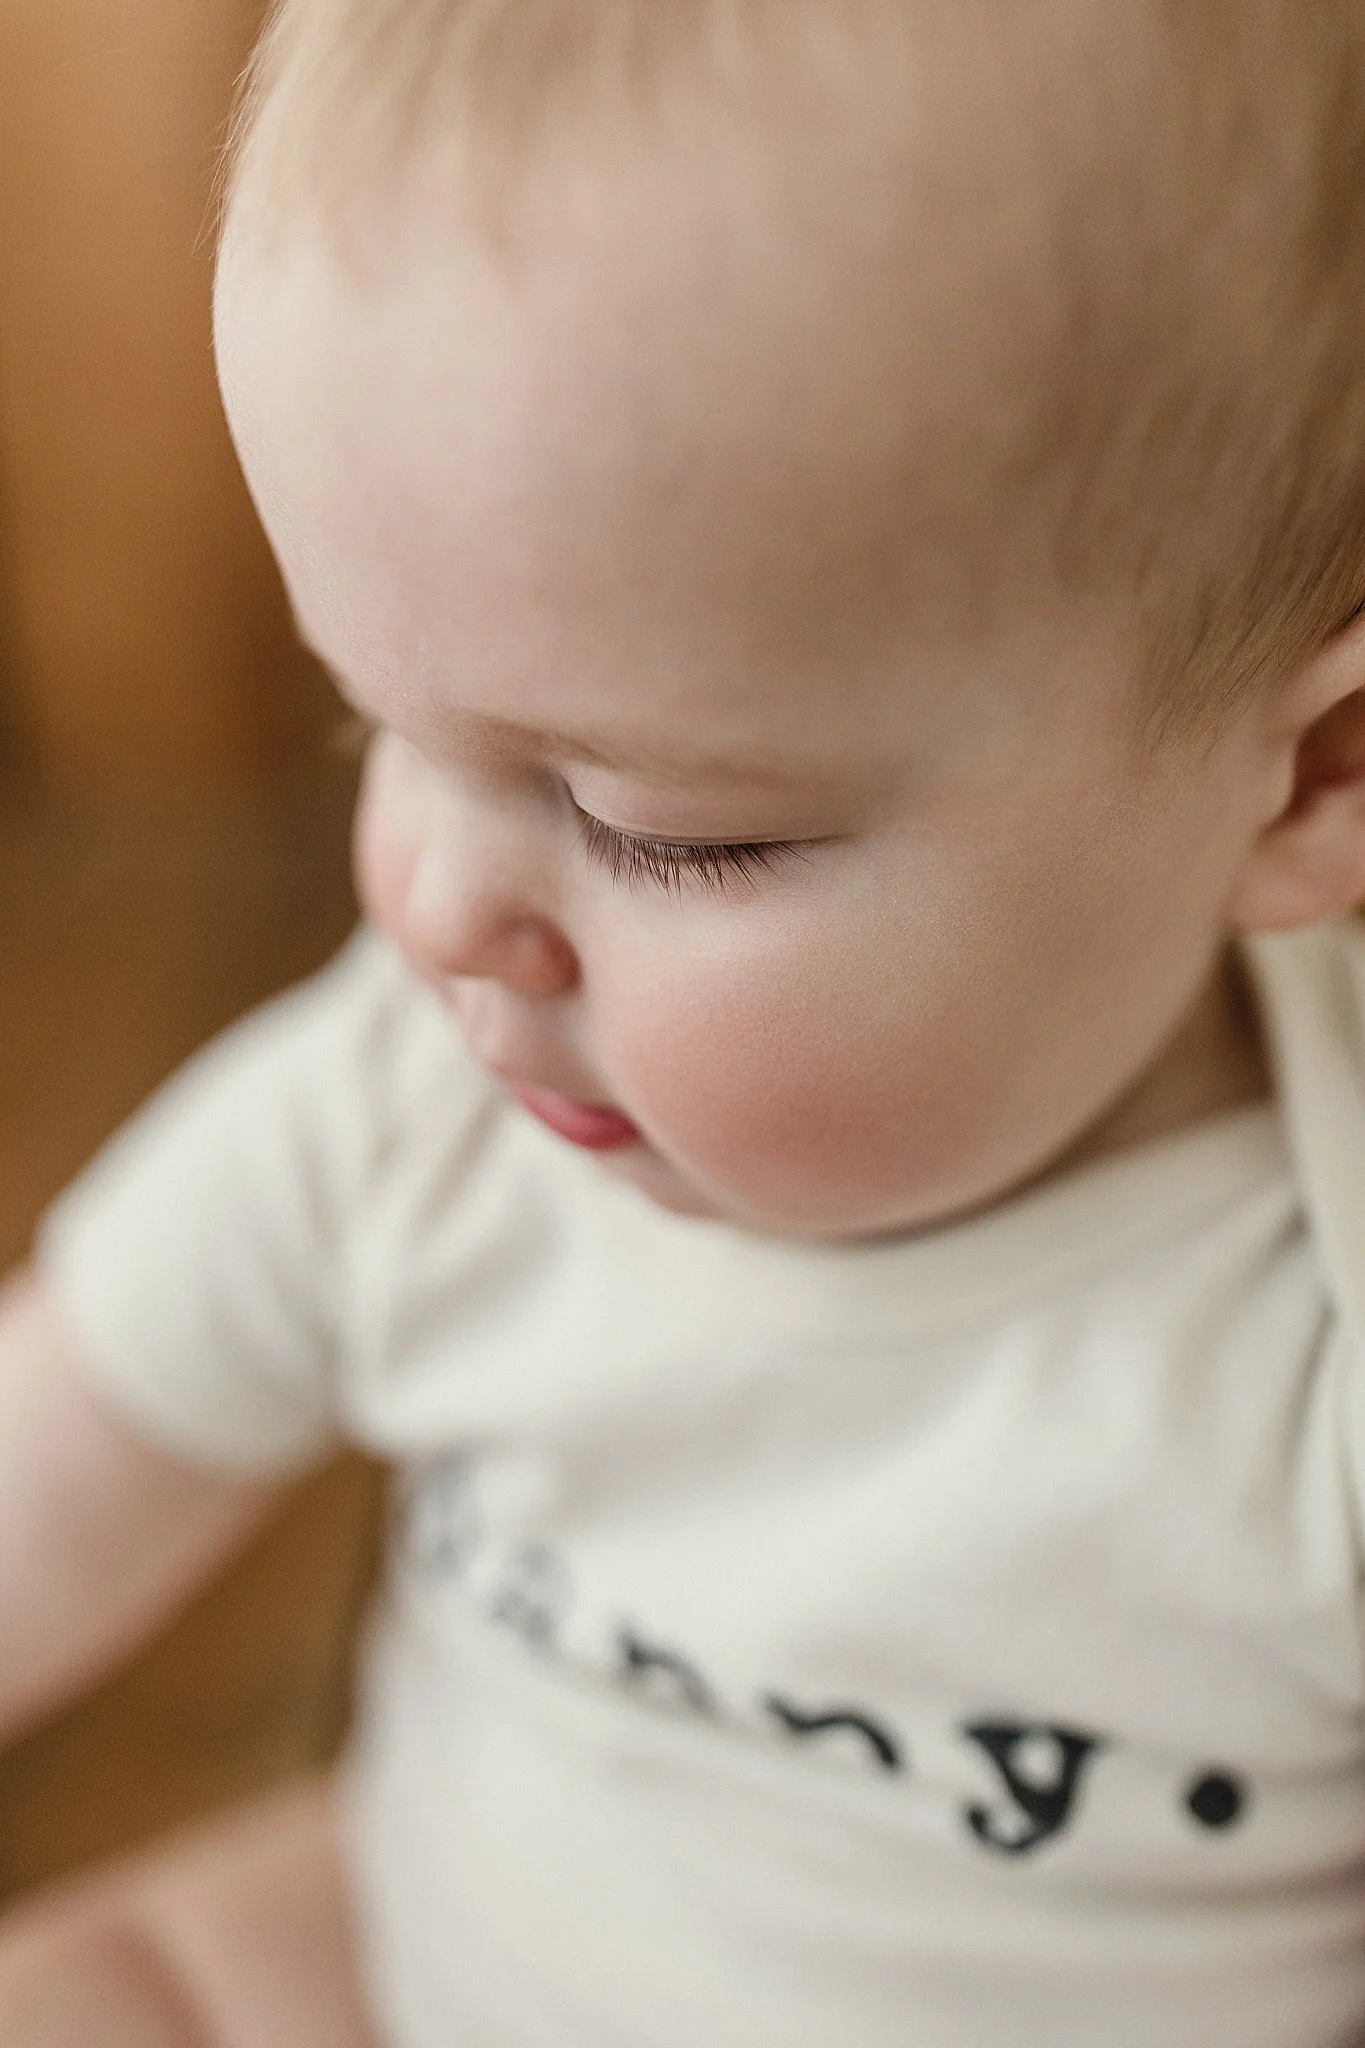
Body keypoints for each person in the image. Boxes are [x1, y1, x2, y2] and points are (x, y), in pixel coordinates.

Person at [5, 0, 1365, 2041]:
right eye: (378, 717)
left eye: (666, 833)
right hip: (422, 1950)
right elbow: (68, 1442)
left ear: (1309, 779)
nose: (440, 907)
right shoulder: (415, 1094)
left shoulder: (1299, 1336)